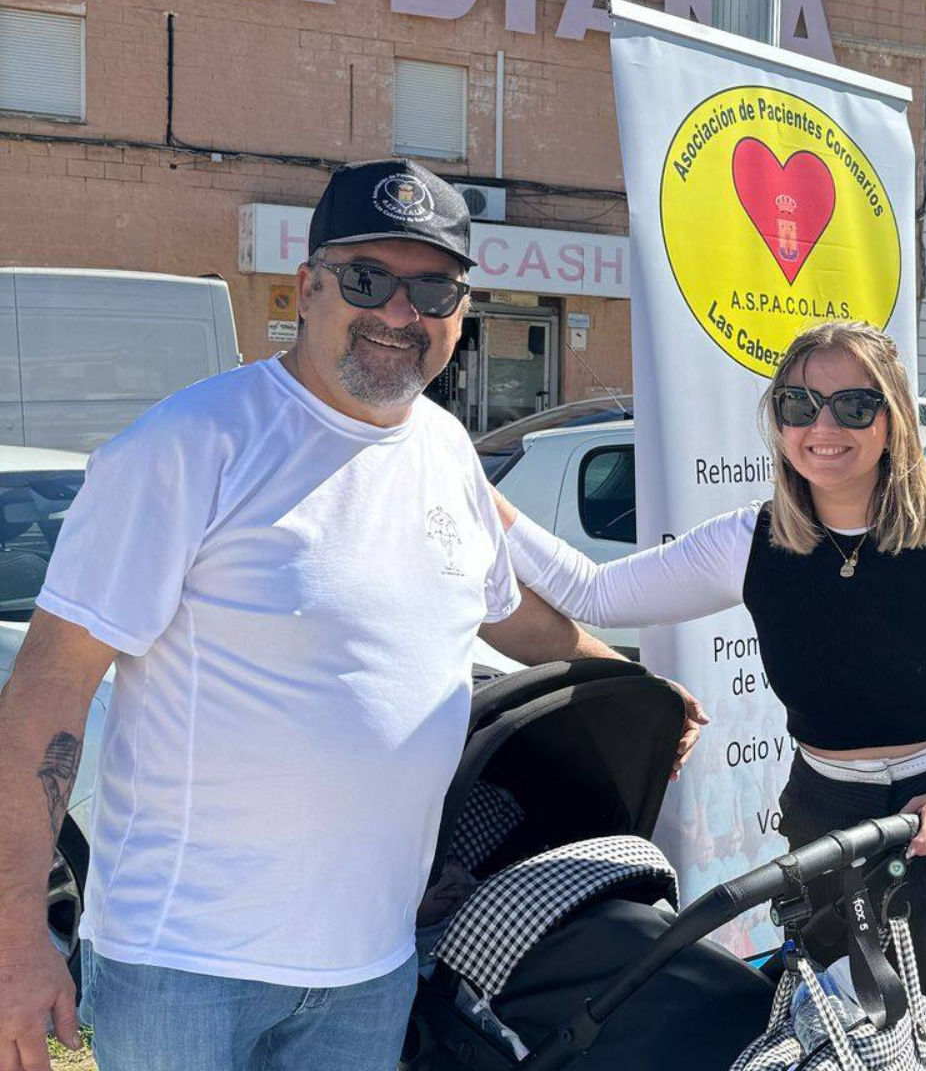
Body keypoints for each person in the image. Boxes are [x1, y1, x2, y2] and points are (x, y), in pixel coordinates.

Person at [0, 160, 657, 1071]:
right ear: (307, 287)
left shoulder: (446, 451)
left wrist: (630, 686)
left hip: (370, 968)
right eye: (367, 280)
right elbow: (46, 692)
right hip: (184, 966)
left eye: (433, 289)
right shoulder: (189, 445)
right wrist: (16, 938)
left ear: (462, 312)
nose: (400, 312)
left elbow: (507, 615)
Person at [495, 321, 926, 1071]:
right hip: (835, 836)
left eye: (854, 406)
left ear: (894, 417)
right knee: (854, 1054)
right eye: (799, 405)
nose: (823, 427)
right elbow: (593, 593)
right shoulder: (750, 540)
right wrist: (468, 492)